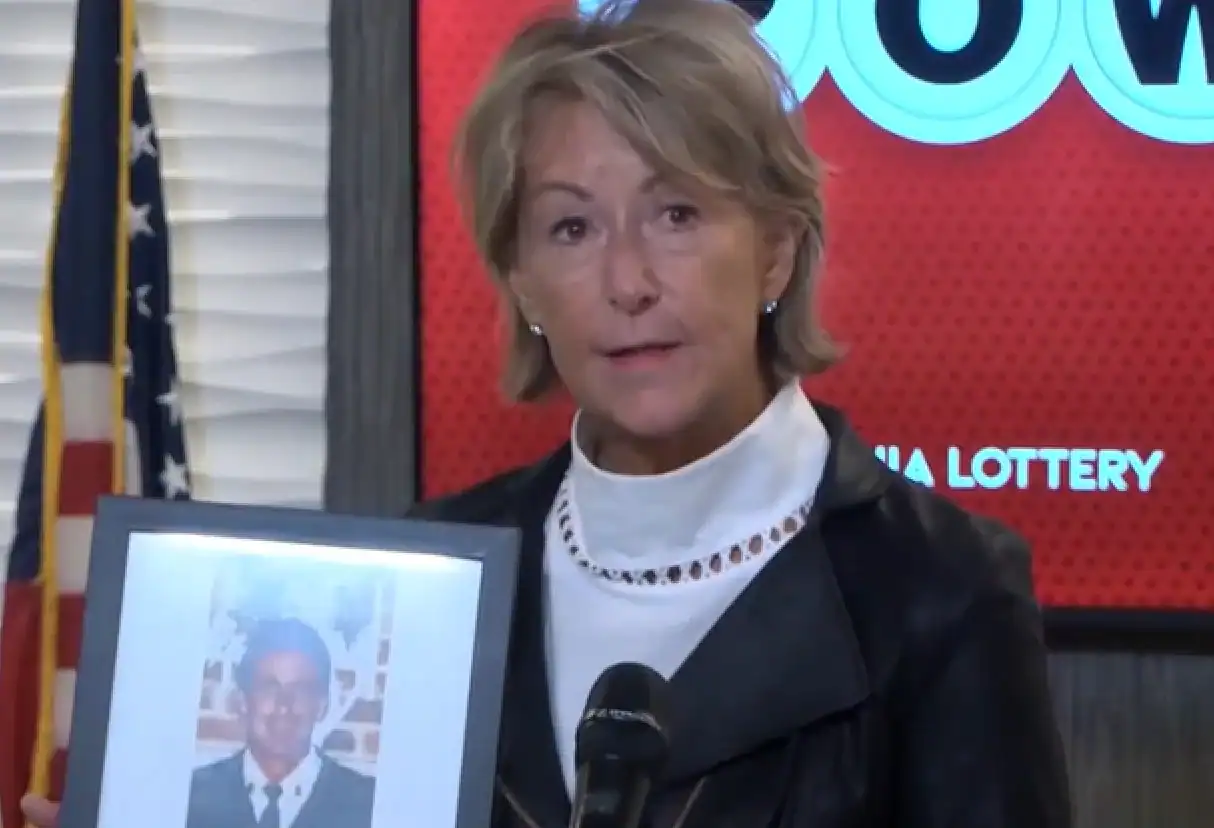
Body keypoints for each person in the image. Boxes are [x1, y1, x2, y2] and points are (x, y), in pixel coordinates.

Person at [23, 0, 1071, 826]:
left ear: (775, 250)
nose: (627, 281)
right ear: (520, 279)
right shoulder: (433, 576)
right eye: (571, 228)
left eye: (676, 213)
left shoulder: (939, 591)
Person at [183, 617, 374, 828]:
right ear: (243, 701)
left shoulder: (366, 804)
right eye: (269, 687)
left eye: (300, 689)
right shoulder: (192, 796)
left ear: (321, 706)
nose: (284, 706)